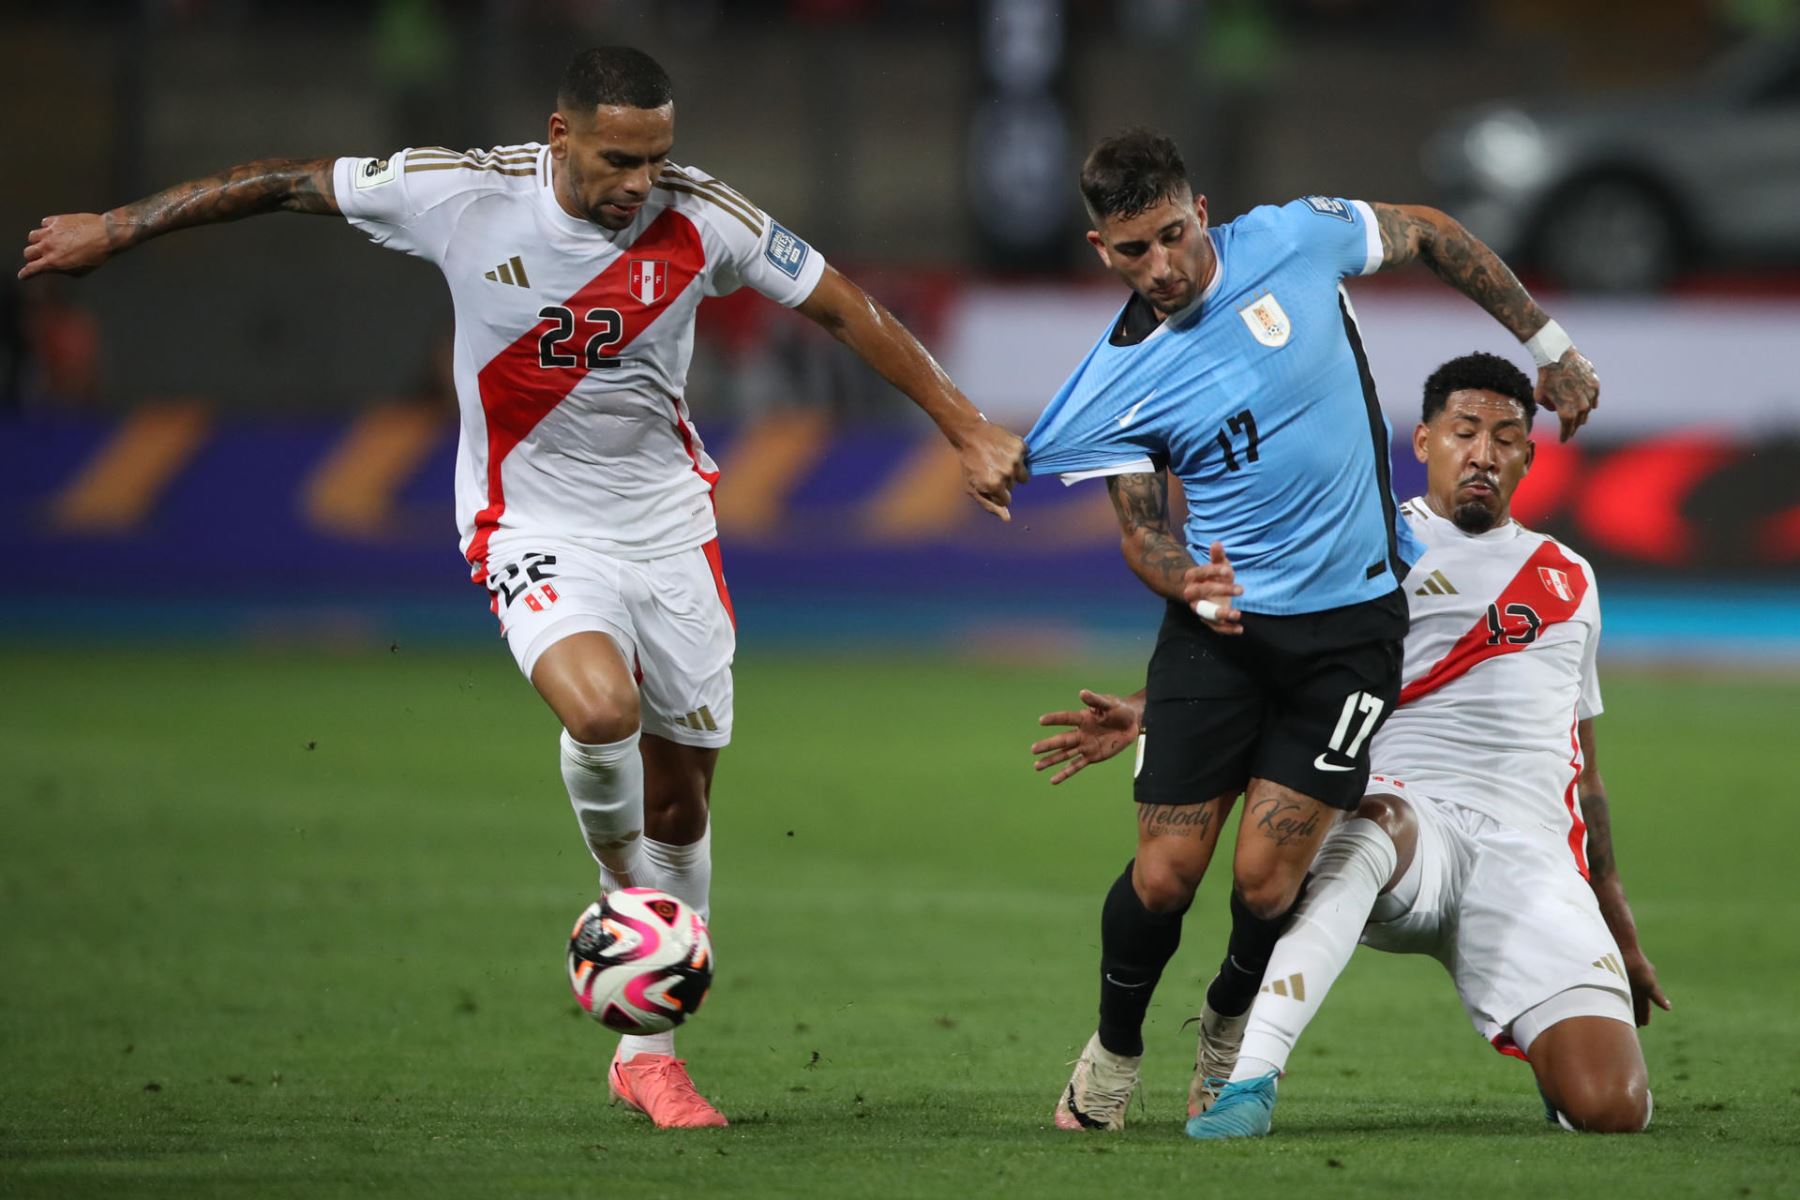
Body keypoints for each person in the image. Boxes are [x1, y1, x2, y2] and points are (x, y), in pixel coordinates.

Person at [18, 46, 1027, 1129]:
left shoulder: (702, 218)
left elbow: (842, 307)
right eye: (618, 158)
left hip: (670, 529)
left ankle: (648, 1048)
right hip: (529, 522)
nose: (640, 182)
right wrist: (117, 229)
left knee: (683, 800)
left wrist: (965, 426)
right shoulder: (459, 194)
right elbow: (285, 182)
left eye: (657, 157)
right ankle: (622, 909)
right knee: (602, 712)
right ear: (561, 136)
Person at [1022, 129, 1600, 1132]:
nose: (1158, 267)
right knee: (1163, 878)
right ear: (1098, 247)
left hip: (1350, 633)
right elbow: (1142, 526)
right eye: (1130, 251)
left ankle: (1227, 1022)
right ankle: (1115, 1049)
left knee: (1268, 875)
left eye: (1169, 236)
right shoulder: (1124, 372)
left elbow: (1425, 232)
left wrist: (1546, 346)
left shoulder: (1296, 240)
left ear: (1199, 210)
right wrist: (1182, 583)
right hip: (1221, 632)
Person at [1035, 352, 1666, 1137]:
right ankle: (1248, 1077)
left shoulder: (1570, 577)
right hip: (1404, 827)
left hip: (1530, 859)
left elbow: (1585, 774)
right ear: (1424, 440)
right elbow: (1264, 660)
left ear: (1529, 458)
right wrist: (1147, 708)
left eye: (1506, 438)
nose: (1484, 453)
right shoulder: (1362, 544)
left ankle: (1555, 1051)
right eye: (1465, 431)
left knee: (1615, 1112)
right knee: (1362, 825)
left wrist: (1619, 930)